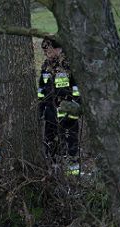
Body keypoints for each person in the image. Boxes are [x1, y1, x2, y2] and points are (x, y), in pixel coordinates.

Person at [37, 38, 81, 176]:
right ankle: (54, 176)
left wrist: (75, 107)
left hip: (68, 114)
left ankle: (73, 179)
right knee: (51, 145)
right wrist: (40, 108)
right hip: (50, 114)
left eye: (48, 49)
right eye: (44, 50)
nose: (46, 53)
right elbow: (41, 89)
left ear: (58, 49)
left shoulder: (69, 65)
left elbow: (77, 88)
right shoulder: (46, 66)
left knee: (70, 147)